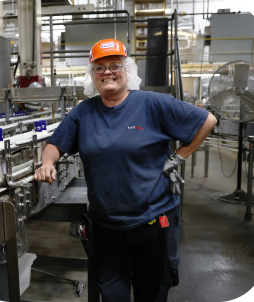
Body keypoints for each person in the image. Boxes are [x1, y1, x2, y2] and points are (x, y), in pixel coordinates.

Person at [34, 39, 217, 302]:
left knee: (151, 295)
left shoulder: (153, 103)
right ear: (92, 76)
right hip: (106, 227)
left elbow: (207, 120)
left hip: (153, 222)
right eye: (99, 68)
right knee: (112, 296)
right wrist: (47, 163)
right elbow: (56, 143)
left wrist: (179, 156)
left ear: (127, 70)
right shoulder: (83, 112)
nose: (107, 72)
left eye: (114, 66)